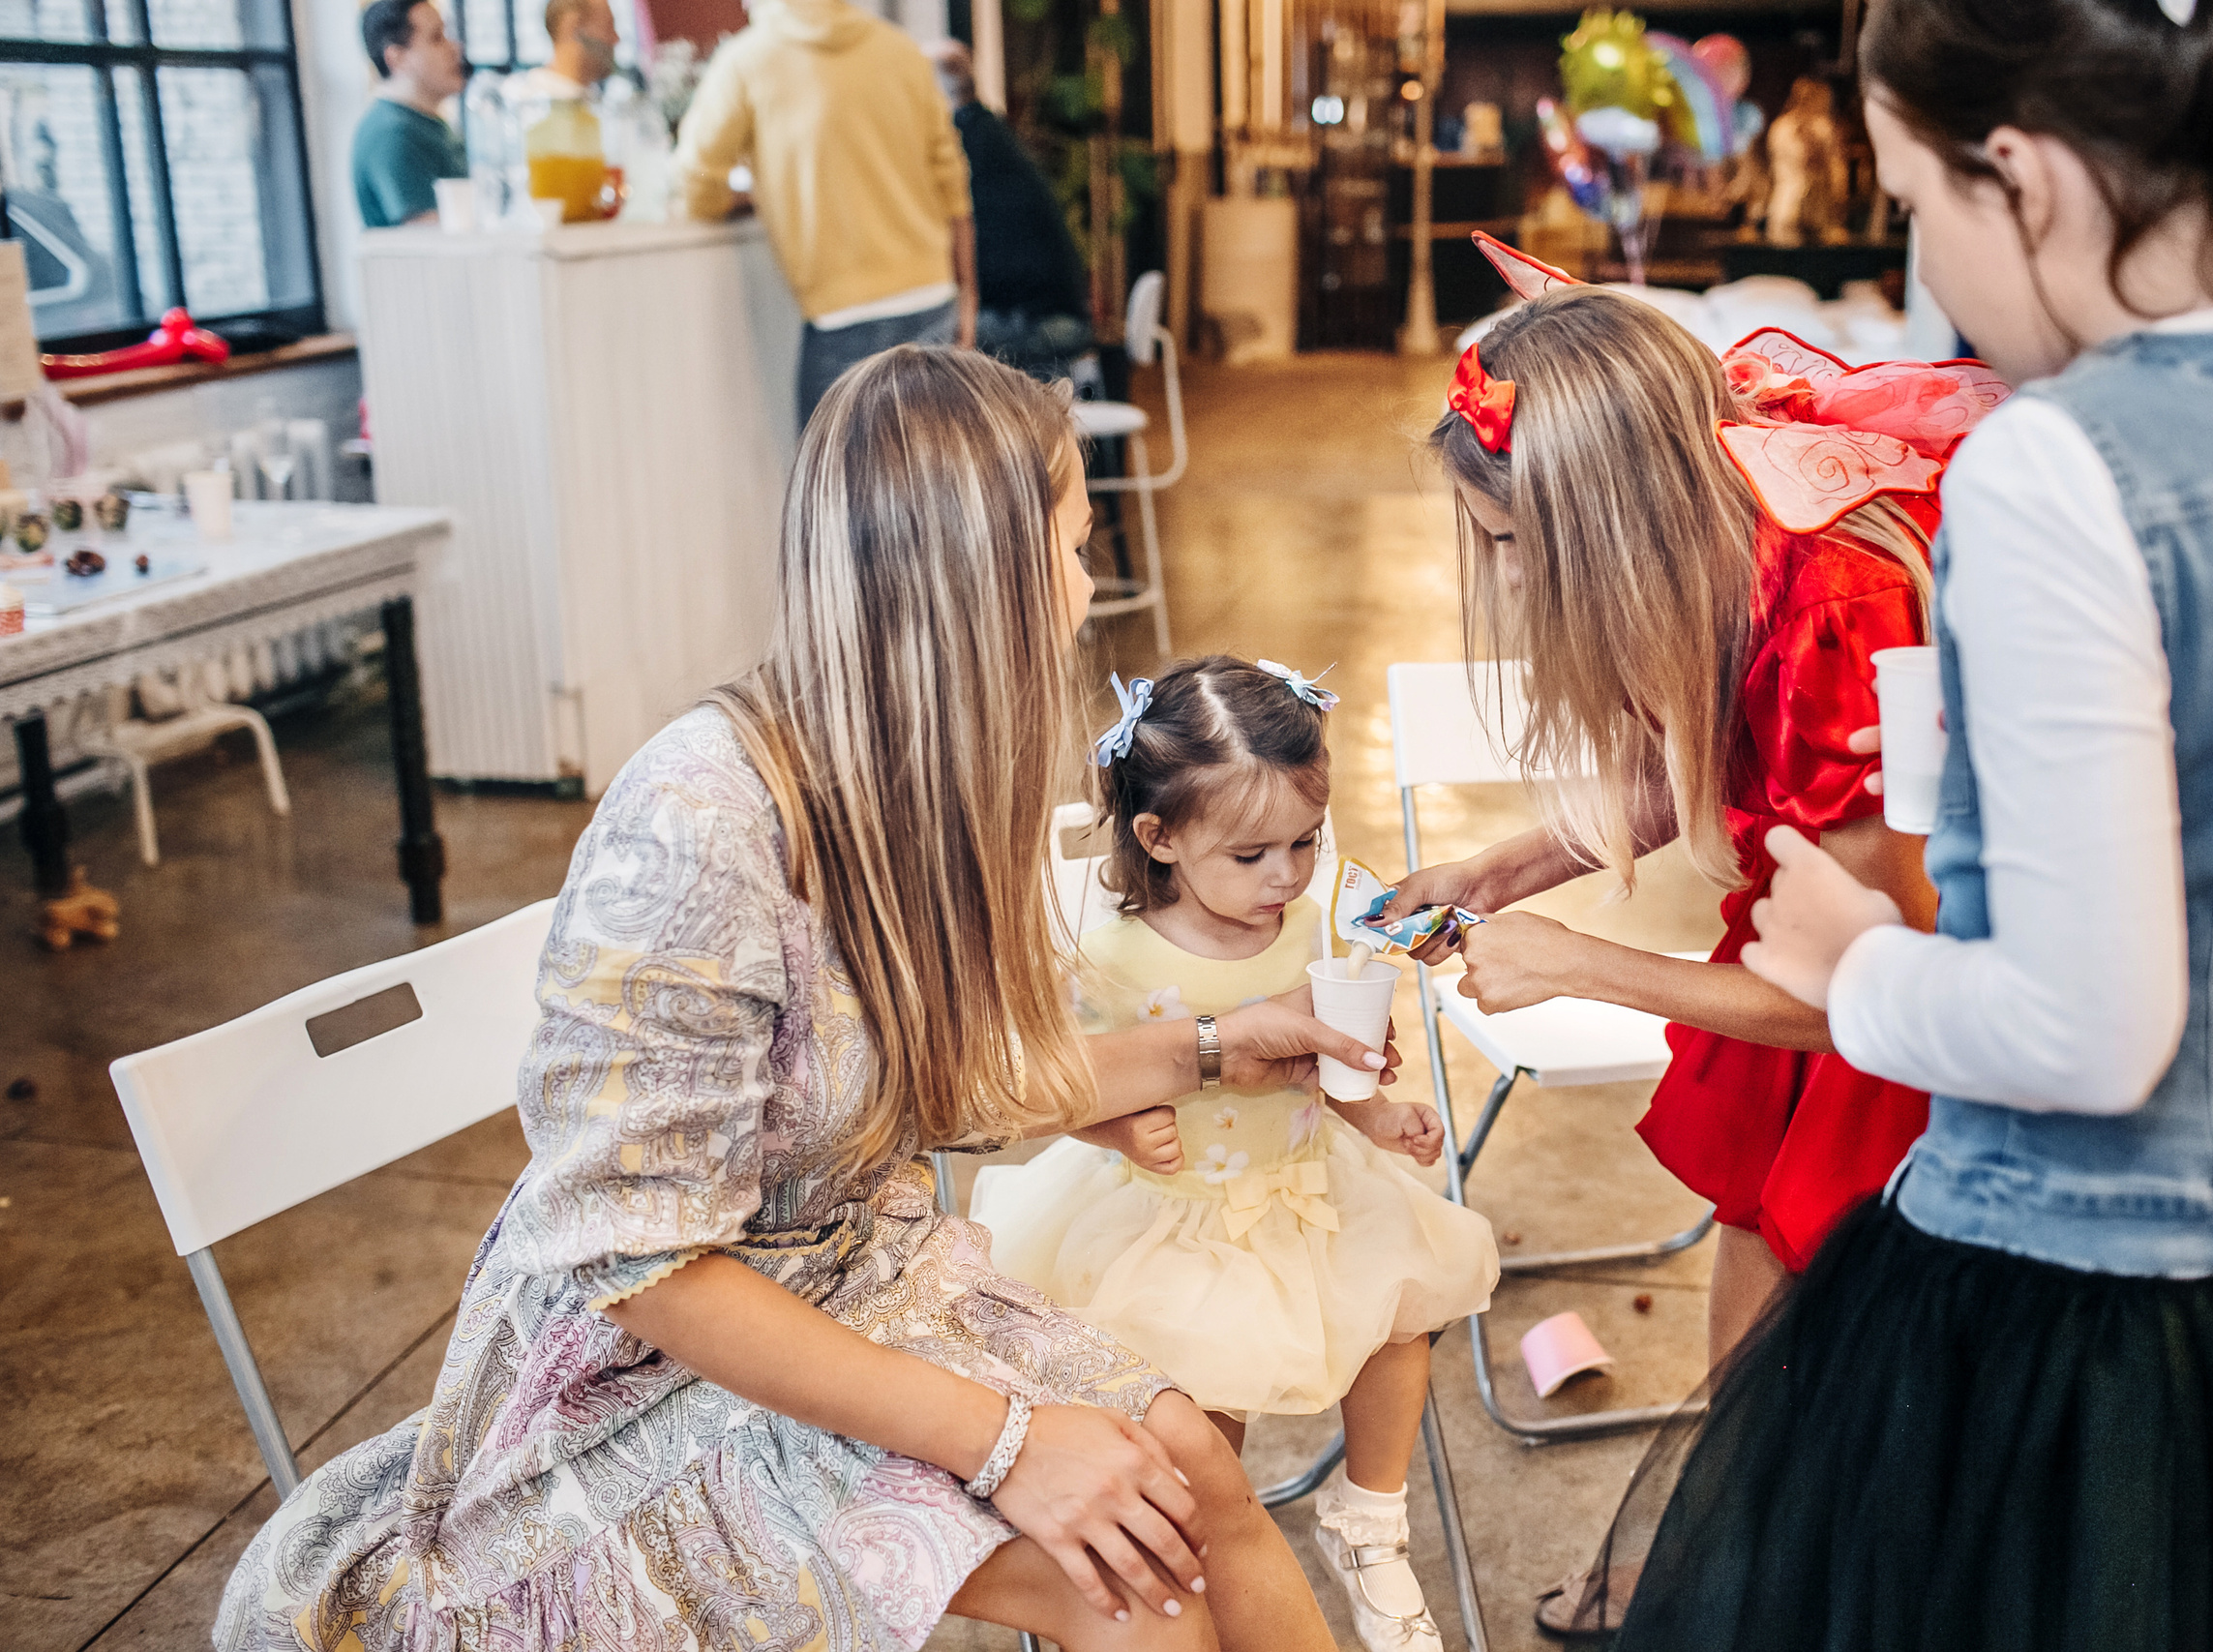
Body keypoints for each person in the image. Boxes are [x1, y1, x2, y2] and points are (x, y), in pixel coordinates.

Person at [213, 347, 1396, 1652]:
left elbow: (939, 1077)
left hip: (851, 1278)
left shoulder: (916, 778)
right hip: (646, 1379)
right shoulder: (698, 819)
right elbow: (641, 1261)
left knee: (1201, 1480)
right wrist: (1009, 1443)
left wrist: (1218, 1047)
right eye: (1071, 541)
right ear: (980, 579)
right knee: (1132, 1588)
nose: (1087, 582)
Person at [1610, 0, 2213, 1639]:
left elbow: (2090, 1033)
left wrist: (1856, 957)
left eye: (1914, 200)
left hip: (2102, 1322)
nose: (1922, 247)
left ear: (2021, 176)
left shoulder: (2058, 464)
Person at [1391, 284, 1993, 1636]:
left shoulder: (1841, 601)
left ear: (1602, 520)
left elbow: (1869, 993)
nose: (1499, 574)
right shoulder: (1718, 540)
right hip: (1809, 941)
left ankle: (1767, 1581)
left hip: (1903, 995)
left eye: (1506, 539)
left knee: (1823, 1365)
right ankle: (1741, 1557)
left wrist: (1582, 963)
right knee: (1748, 1319)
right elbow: (1716, 755)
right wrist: (1503, 869)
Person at [972, 655, 1500, 1652]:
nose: (1287, 876)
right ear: (1159, 838)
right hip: (1169, 1214)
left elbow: (1326, 1061)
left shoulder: (1318, 924)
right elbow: (1062, 1082)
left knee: (1402, 1321)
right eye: (1252, 854)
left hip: (1308, 1183)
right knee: (1200, 1413)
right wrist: (1112, 1124)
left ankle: (1370, 1519)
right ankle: (1207, 1565)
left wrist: (1376, 1119)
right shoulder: (1115, 955)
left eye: (1305, 841)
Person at [675, 0, 979, 432]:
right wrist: (967, 301)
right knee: (935, 485)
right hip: (932, 298)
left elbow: (696, 183)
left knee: (834, 491)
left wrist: (757, 197)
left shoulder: (747, 61)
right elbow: (953, 184)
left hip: (842, 314)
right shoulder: (901, 52)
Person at [930, 42, 1096, 382]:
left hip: (1042, 325)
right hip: (1060, 315)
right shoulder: (992, 135)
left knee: (929, 350)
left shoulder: (963, 150)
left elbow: (977, 259)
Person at [351, 0, 468, 228]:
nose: (455, 48)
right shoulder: (393, 134)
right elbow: (426, 237)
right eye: (437, 38)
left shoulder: (426, 123)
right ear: (397, 58)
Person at [507, 0, 620, 104]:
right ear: (571, 25)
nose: (616, 39)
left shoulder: (591, 102)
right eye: (608, 26)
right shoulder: (531, 108)